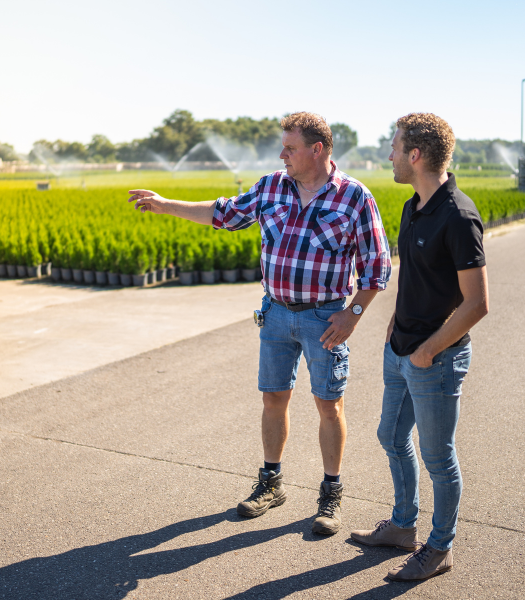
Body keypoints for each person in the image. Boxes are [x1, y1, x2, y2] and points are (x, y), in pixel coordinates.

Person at [127, 112, 391, 535]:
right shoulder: (271, 187)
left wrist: (353, 314)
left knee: (329, 405)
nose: (282, 155)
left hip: (325, 318)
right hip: (276, 313)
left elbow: (377, 266)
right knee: (273, 399)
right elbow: (223, 213)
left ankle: (331, 493)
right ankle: (271, 483)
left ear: (317, 149)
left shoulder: (354, 197)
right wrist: (164, 205)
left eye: (290, 148)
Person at [349, 113, 489, 580]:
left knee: (438, 459)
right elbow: (416, 274)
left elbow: (477, 304)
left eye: (394, 147)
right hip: (400, 349)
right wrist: (396, 318)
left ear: (415, 155)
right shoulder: (414, 206)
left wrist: (428, 350)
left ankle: (439, 547)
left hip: (436, 359)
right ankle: (403, 526)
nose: (388, 154)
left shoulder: (459, 216)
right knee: (391, 436)